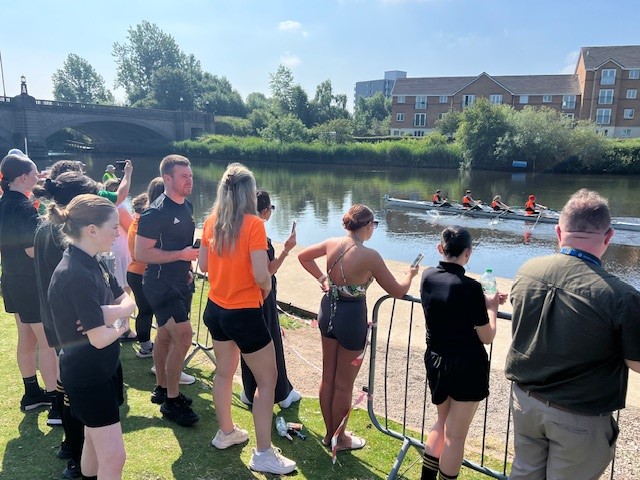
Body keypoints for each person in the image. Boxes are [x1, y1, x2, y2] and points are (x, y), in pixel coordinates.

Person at [505, 189, 640, 480]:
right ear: (608, 237)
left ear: (558, 231)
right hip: (578, 414)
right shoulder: (621, 296)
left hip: (525, 402)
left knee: (524, 474)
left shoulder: (527, 271)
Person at [199, 163, 296, 475]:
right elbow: (260, 274)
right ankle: (264, 452)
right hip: (243, 312)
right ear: (249, 193)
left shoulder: (210, 221)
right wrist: (265, 286)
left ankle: (226, 432)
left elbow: (202, 266)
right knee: (268, 381)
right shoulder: (254, 225)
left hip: (216, 309)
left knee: (224, 373)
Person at [298, 204, 419, 453]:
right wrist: (410, 274)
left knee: (327, 377)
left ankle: (330, 433)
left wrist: (323, 279)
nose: (373, 229)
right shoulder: (370, 256)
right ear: (366, 226)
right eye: (373, 225)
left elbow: (303, 257)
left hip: (327, 312)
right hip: (352, 318)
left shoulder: (332, 243)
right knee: (344, 384)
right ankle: (339, 439)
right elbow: (397, 290)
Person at [48, 194, 136, 480]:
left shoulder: (95, 261)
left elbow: (129, 302)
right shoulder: (75, 273)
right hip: (87, 376)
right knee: (115, 457)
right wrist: (121, 325)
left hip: (102, 369)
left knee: (95, 445)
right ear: (92, 230)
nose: (118, 231)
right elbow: (98, 338)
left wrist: (105, 314)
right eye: (113, 226)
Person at [419, 226, 504, 480]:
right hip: (466, 365)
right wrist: (492, 308)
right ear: (468, 253)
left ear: (440, 248)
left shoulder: (427, 276)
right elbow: (487, 336)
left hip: (436, 359)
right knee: (456, 436)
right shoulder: (470, 288)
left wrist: (482, 301)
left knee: (441, 423)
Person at [32, 172, 101, 478]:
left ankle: (68, 444)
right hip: (71, 325)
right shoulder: (63, 235)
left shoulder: (47, 226)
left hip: (54, 319)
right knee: (76, 391)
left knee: (65, 383)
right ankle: (75, 453)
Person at [135, 155, 199, 427]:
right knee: (183, 337)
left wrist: (185, 263)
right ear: (168, 179)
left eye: (190, 175)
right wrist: (181, 254)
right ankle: (172, 402)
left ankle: (162, 388)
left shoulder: (187, 206)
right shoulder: (155, 213)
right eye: (183, 176)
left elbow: (181, 247)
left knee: (163, 337)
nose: (189, 180)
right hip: (159, 284)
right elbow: (141, 253)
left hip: (179, 280)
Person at [0, 152, 58, 417]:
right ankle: (56, 400)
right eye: (35, 175)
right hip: (30, 282)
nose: (38, 179)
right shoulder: (23, 208)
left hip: (11, 278)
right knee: (46, 342)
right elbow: (32, 250)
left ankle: (32, 392)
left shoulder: (4, 203)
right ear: (23, 177)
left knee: (26, 339)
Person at [239, 190, 301, 409]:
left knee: (249, 343)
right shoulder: (257, 232)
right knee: (270, 341)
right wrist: (286, 250)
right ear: (265, 211)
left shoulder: (238, 226)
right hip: (261, 296)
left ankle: (248, 389)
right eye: (271, 209)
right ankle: (281, 393)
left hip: (243, 296)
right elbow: (267, 271)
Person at [127, 176, 164, 359]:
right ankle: (146, 347)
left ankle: (146, 345)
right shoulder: (147, 221)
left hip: (135, 271)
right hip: (141, 272)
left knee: (145, 310)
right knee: (147, 310)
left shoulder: (140, 219)